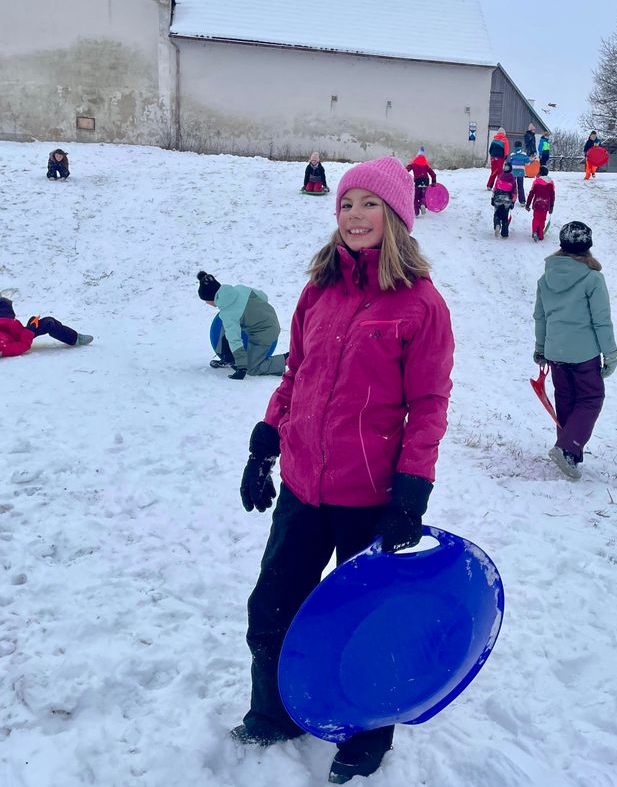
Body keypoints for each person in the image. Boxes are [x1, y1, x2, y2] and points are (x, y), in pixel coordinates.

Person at [233, 157, 454, 784]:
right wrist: (264, 447)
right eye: (347, 204)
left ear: (396, 217)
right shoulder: (319, 291)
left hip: (370, 496)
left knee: (368, 628)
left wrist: (411, 492)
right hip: (303, 486)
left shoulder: (420, 305)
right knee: (272, 606)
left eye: (369, 205)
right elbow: (296, 375)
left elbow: (428, 405)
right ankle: (273, 713)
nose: (354, 216)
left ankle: (367, 735)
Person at [533, 221, 617, 479]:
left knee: (566, 399)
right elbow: (601, 320)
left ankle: (569, 453)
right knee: (591, 398)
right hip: (583, 354)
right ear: (587, 247)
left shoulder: (546, 277)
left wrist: (540, 348)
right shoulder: (593, 279)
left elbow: (541, 317)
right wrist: (610, 354)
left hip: (556, 351)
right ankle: (567, 448)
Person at [197, 272, 288, 379]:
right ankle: (228, 357)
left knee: (252, 368)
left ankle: (288, 358)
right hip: (270, 316)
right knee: (225, 327)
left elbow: (234, 340)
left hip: (265, 332)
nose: (207, 303)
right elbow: (264, 296)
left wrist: (241, 367)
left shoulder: (228, 313)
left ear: (211, 299)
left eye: (206, 301)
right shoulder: (240, 289)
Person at [0, 296, 92, 357]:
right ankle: (76, 338)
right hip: (23, 335)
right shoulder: (2, 348)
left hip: (14, 326)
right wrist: (29, 329)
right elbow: (23, 345)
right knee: (49, 323)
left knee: (3, 302)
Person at [525, 166, 555, 242]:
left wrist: (528, 204)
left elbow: (531, 193)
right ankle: (541, 235)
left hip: (537, 203)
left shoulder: (536, 181)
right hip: (546, 204)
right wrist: (551, 206)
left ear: (540, 173)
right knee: (542, 220)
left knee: (536, 219)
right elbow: (552, 195)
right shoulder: (551, 182)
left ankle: (535, 231)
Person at [405, 147, 437, 215]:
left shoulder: (413, 163)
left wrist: (403, 175)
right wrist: (433, 184)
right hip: (425, 181)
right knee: (424, 195)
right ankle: (422, 204)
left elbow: (406, 170)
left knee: (416, 197)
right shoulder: (426, 164)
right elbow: (433, 175)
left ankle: (416, 212)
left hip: (417, 181)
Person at [491, 159, 517, 238]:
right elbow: (514, 191)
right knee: (505, 216)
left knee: (497, 214)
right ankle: (505, 233)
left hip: (498, 198)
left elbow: (495, 188)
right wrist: (513, 201)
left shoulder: (500, 176)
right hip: (507, 199)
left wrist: (493, 198)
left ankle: (497, 224)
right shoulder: (512, 179)